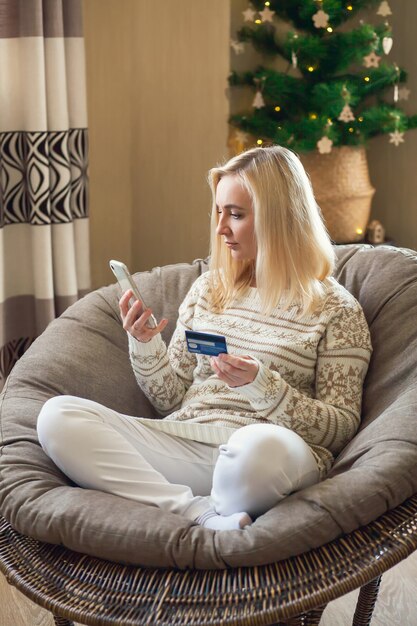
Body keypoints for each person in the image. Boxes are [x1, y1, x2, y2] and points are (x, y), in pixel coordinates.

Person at [37, 145, 372, 531]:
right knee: (57, 416)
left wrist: (261, 385)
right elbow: (169, 399)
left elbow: (341, 427)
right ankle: (198, 513)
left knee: (257, 449)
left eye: (236, 214)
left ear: (278, 218)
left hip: (267, 456)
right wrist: (145, 343)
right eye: (219, 212)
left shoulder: (337, 311)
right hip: (188, 444)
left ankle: (207, 506)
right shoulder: (208, 290)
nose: (220, 228)